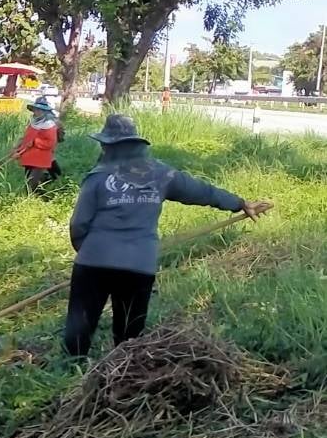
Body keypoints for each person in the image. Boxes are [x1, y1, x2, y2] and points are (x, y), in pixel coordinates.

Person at [63, 114, 268, 357]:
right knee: (130, 333)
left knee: (80, 325)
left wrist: (87, 251)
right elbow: (201, 191)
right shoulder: (162, 175)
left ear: (108, 146)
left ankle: (72, 366)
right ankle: (123, 371)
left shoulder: (97, 178)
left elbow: (79, 224)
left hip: (93, 261)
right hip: (139, 264)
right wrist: (239, 203)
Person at [13, 98, 64, 194]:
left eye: (39, 110)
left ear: (45, 111)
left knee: (32, 183)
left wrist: (35, 142)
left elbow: (50, 143)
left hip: (40, 159)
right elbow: (26, 138)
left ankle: (44, 196)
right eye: (35, 109)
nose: (36, 112)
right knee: (28, 180)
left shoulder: (49, 125)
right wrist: (18, 149)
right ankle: (47, 182)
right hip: (29, 156)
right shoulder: (33, 122)